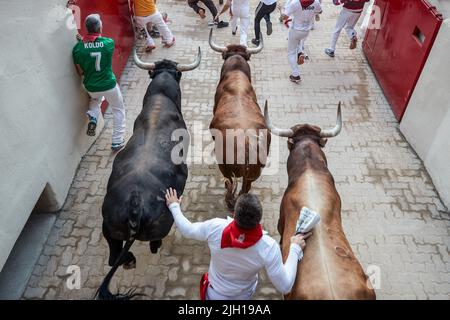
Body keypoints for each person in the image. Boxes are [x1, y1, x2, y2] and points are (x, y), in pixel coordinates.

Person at [165, 188, 312, 300]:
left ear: (234, 215)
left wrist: (174, 206)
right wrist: (295, 248)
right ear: (259, 220)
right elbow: (285, 286)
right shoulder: (268, 247)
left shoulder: (215, 227)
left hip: (213, 294)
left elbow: (187, 230)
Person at [73, 14, 126, 151]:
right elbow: (99, 44)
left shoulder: (78, 49)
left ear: (86, 28)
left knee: (96, 99)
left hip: (91, 87)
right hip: (109, 85)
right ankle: (117, 141)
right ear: (100, 27)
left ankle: (93, 115)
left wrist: (82, 42)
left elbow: (80, 72)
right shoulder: (109, 43)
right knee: (118, 109)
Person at [281, 0, 322, 84]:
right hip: (306, 31)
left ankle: (295, 75)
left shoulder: (295, 3)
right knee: (299, 41)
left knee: (291, 52)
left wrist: (280, 10)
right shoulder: (316, 2)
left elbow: (284, 17)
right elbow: (320, 11)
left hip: (295, 30)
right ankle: (300, 53)